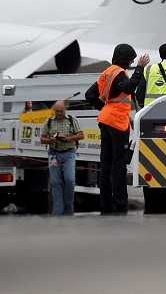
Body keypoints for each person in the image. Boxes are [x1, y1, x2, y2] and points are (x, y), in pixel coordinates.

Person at [94, 43, 149, 215]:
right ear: (125, 59)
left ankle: (106, 204)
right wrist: (140, 68)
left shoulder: (107, 72)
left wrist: (105, 109)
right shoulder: (119, 73)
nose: (133, 62)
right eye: (131, 59)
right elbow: (129, 87)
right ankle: (120, 205)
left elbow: (90, 94)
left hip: (106, 120)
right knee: (119, 166)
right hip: (117, 123)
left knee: (106, 164)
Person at [39, 100, 83, 215]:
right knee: (55, 181)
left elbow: (81, 135)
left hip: (69, 153)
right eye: (57, 111)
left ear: (65, 109)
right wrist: (50, 140)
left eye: (61, 111)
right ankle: (58, 210)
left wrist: (67, 138)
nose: (59, 113)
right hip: (54, 153)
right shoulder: (49, 122)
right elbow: (42, 139)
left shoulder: (72, 120)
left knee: (70, 179)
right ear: (54, 110)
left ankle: (69, 203)